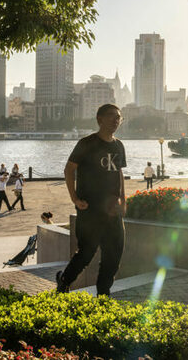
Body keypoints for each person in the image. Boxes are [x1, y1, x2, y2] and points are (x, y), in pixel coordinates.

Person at [56, 104, 127, 295]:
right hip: (90, 209)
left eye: (118, 117)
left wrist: (123, 200)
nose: (115, 120)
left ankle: (103, 293)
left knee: (114, 254)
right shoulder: (87, 143)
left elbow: (118, 172)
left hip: (113, 210)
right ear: (99, 119)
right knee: (86, 252)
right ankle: (64, 281)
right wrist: (75, 198)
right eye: (111, 116)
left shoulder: (119, 145)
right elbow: (69, 169)